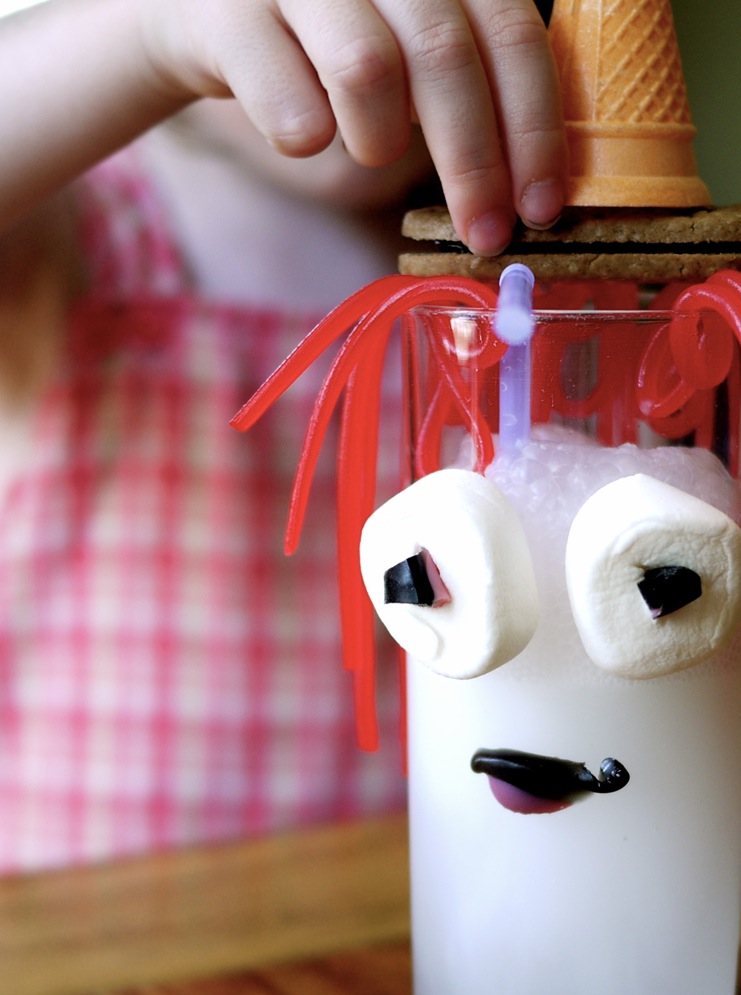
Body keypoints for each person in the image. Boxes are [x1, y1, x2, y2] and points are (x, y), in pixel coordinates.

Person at [0, 0, 569, 872]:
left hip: (420, 937)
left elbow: (658, 563)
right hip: (98, 971)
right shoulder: (81, 229)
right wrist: (149, 34)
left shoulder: (544, 303)